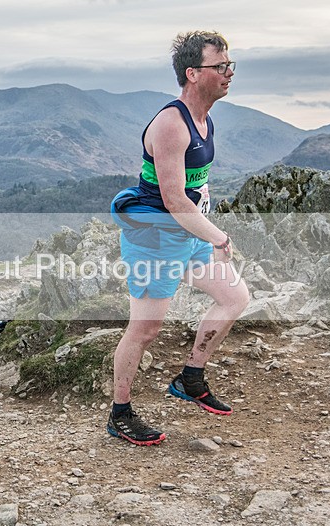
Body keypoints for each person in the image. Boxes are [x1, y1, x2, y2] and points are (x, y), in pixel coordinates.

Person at [107, 31, 250, 446]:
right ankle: (120, 413)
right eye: (219, 66)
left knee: (235, 298)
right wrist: (219, 236)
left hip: (189, 236)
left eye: (230, 65)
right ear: (192, 73)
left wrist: (207, 226)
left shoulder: (206, 119)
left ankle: (190, 377)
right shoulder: (172, 124)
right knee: (145, 329)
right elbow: (173, 199)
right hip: (156, 239)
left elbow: (195, 188)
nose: (228, 72)